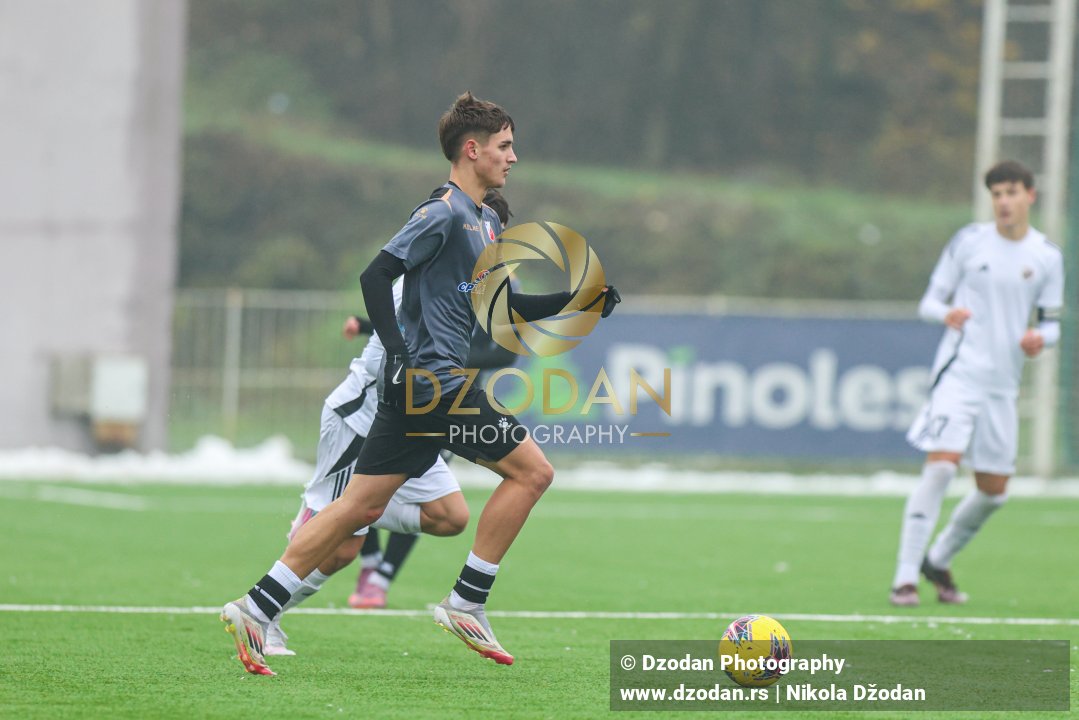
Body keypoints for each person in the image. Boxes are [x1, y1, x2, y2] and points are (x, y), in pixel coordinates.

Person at [221, 91, 620, 674]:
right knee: (533, 472)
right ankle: (467, 600)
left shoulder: (483, 221)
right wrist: (403, 353)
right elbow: (376, 274)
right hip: (435, 383)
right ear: (472, 149)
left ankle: (257, 607)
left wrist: (577, 298)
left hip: (421, 389)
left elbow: (503, 308)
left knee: (359, 506)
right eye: (505, 147)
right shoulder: (442, 212)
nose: (513, 158)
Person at [889, 160, 1064, 607]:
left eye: (1011, 192)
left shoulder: (1046, 256)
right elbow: (929, 301)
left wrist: (1037, 338)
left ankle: (939, 558)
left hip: (1002, 386)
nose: (1003, 201)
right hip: (959, 373)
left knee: (993, 493)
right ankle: (905, 577)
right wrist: (945, 313)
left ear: (1030, 196)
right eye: (997, 194)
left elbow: (1052, 326)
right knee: (943, 465)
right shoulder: (969, 241)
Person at [349, 189, 518, 610]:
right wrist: (376, 330)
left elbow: (503, 348)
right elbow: (415, 315)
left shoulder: (493, 276)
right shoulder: (443, 255)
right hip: (428, 392)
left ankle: (381, 575)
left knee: (418, 491)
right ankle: (449, 595)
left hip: (447, 395)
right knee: (371, 496)